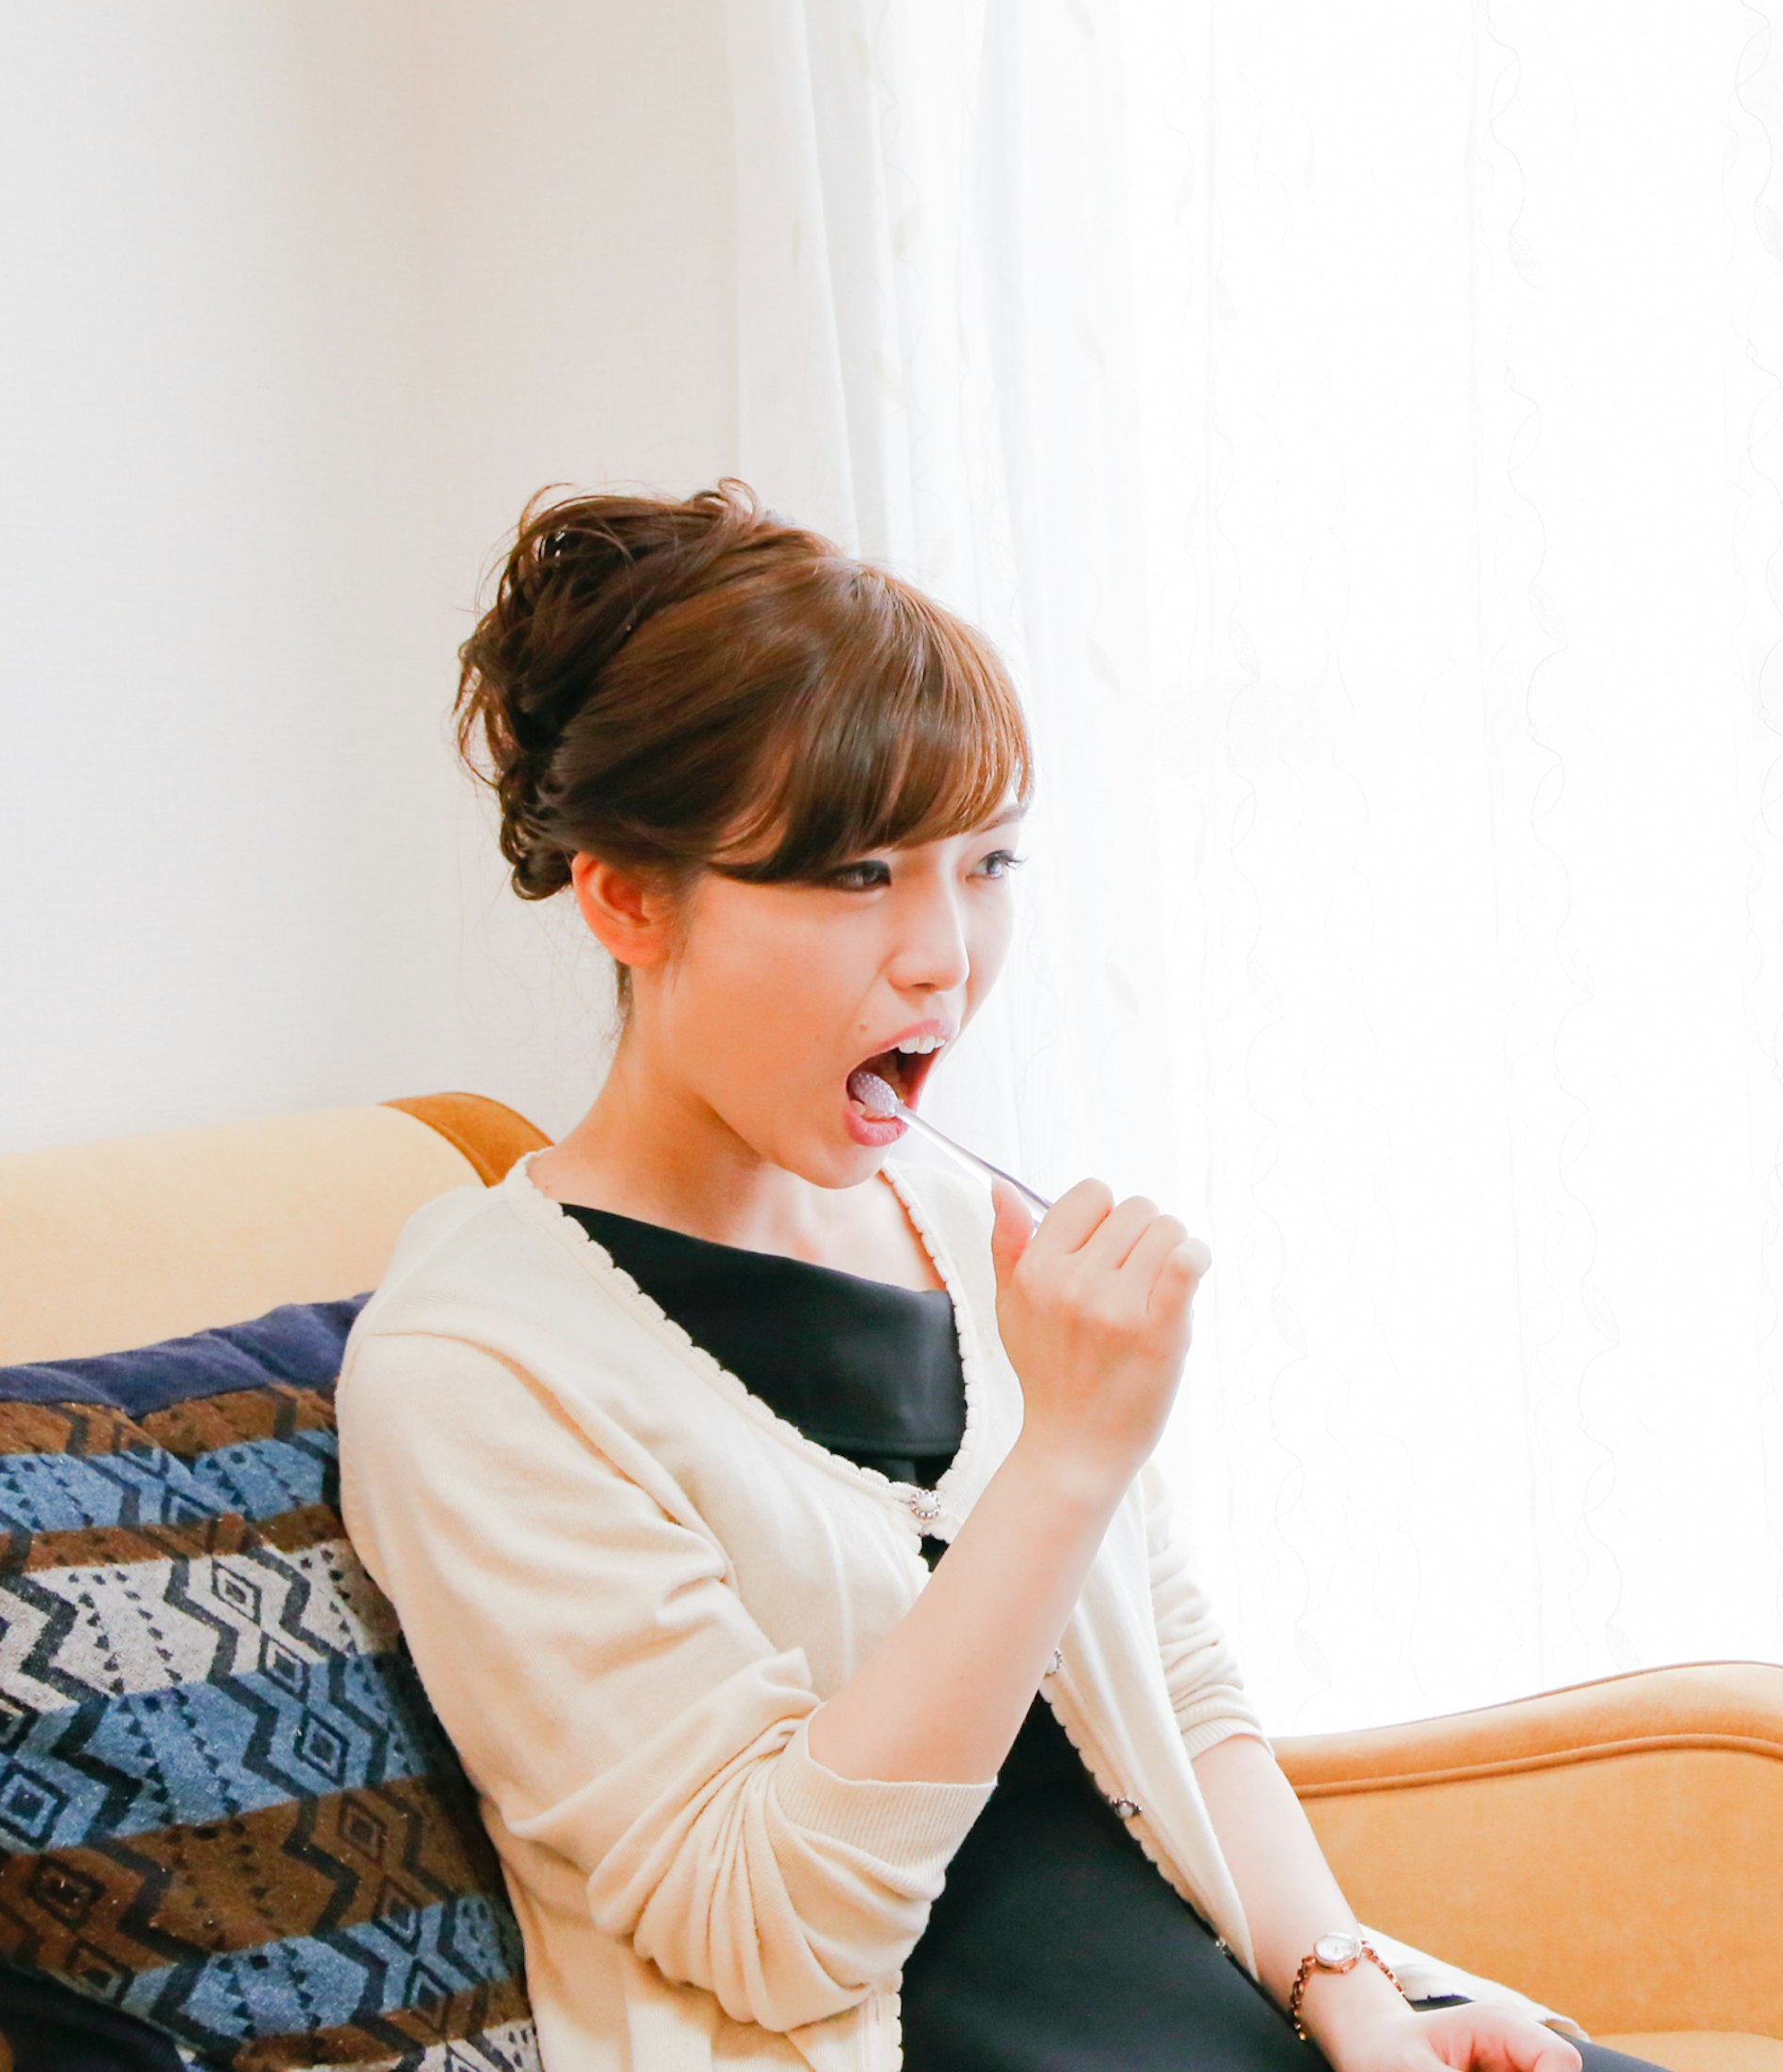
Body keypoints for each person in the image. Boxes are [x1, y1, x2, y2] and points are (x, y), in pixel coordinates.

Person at [336, 482, 1671, 2072]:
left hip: (1221, 2018)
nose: (945, 957)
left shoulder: (964, 1217)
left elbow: (1174, 1677)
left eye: (986, 864)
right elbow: (776, 1929)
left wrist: (1360, 1996)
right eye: (855, 876)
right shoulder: (478, 1369)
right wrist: (1068, 1457)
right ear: (628, 896)